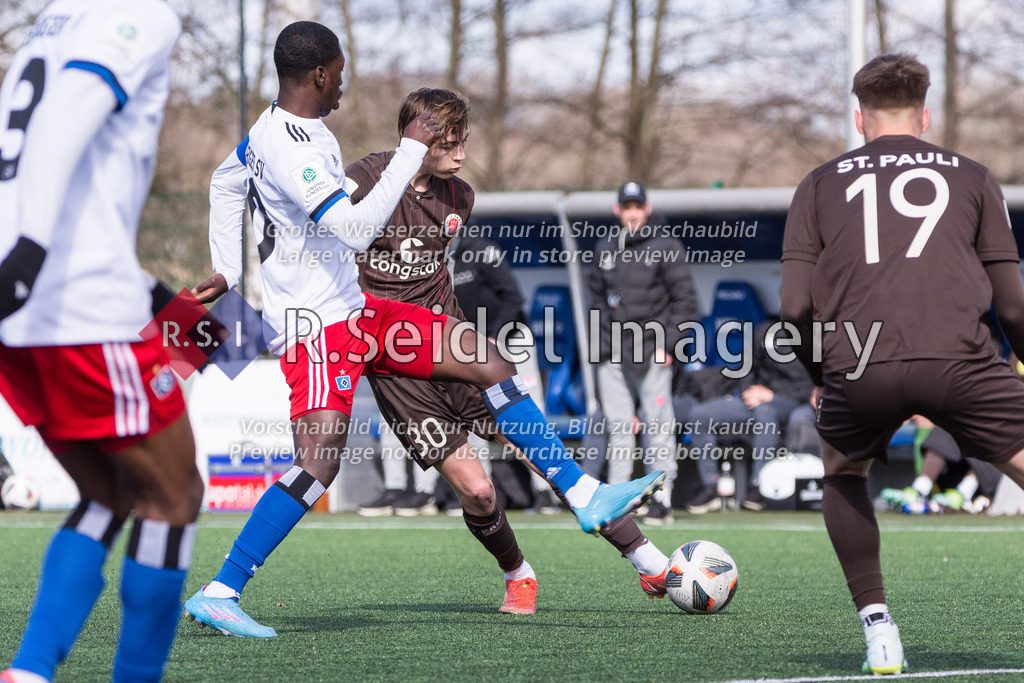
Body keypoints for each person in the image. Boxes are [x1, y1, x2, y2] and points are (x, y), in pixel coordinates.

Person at [184, 24, 664, 637]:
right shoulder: (294, 147)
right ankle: (223, 589)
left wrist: (227, 267)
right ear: (320, 75)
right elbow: (355, 232)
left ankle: (585, 492)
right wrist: (411, 147)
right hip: (318, 329)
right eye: (341, 69)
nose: (345, 81)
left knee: (488, 360)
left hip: (358, 312)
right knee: (317, 468)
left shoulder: (284, 131)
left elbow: (223, 182)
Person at [781, 52, 1024, 675]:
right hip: (962, 362)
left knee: (842, 472)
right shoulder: (973, 177)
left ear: (859, 119)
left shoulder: (817, 183)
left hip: (861, 368)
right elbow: (1014, 306)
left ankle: (879, 628)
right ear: (926, 116)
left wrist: (821, 379)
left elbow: (793, 309)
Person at [0, 2, 204, 681]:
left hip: (24, 313)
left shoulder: (57, 19)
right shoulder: (140, 12)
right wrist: (30, 252)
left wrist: (151, 294)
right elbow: (71, 111)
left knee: (108, 491)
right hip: (77, 306)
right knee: (173, 497)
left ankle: (29, 671)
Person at [587, 182, 699, 524]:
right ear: (617, 210)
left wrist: (669, 344)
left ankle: (661, 499)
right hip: (613, 353)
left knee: (657, 426)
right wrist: (600, 347)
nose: (633, 213)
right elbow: (595, 300)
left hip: (653, 350)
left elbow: (686, 302)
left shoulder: (666, 245)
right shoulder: (606, 247)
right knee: (619, 427)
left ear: (647, 209)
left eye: (638, 206)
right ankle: (621, 501)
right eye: (627, 207)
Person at [684, 317, 817, 513]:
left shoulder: (815, 334)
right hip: (757, 398)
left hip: (795, 401)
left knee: (766, 411)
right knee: (700, 415)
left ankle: (758, 486)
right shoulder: (765, 329)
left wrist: (773, 395)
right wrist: (748, 390)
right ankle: (710, 486)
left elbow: (816, 383)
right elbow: (747, 366)